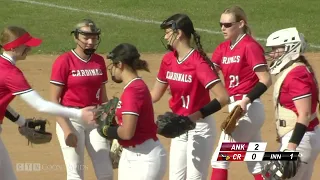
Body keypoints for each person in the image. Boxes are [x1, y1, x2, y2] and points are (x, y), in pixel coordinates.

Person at [0, 26, 94, 180]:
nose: (29, 49)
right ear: (14, 47)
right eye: (26, 45)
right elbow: (40, 105)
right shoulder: (11, 74)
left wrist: (22, 121)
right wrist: (78, 113)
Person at [150, 13, 230, 180]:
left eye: (167, 32)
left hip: (200, 127)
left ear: (178, 33)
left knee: (195, 178)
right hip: (179, 126)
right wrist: (129, 105)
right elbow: (154, 95)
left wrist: (193, 117)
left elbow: (223, 97)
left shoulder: (197, 63)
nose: (165, 36)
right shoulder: (168, 60)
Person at [209, 6, 272, 180]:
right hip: (236, 108)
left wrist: (246, 100)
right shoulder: (222, 48)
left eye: (228, 24)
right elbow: (208, 74)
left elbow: (265, 79)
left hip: (248, 108)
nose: (223, 28)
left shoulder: (250, 46)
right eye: (221, 24)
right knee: (256, 161)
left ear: (241, 24)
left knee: (220, 159)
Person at [50, 19, 113, 180]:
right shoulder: (64, 61)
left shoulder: (99, 61)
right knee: (76, 173)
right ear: (76, 37)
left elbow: (103, 97)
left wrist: (110, 120)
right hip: (72, 119)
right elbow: (54, 100)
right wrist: (66, 129)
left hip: (95, 119)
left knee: (106, 171)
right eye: (86, 38)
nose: (91, 42)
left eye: (94, 38)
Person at [96, 43, 167, 180]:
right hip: (130, 154)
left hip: (145, 158)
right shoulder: (133, 86)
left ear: (120, 64)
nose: (112, 69)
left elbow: (127, 133)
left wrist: (106, 130)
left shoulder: (133, 91)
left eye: (113, 64)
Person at [263, 27, 320, 180]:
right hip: (301, 137)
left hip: (299, 139)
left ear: (290, 48)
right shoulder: (295, 69)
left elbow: (305, 114)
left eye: (276, 49)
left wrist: (291, 148)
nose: (273, 53)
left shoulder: (297, 74)